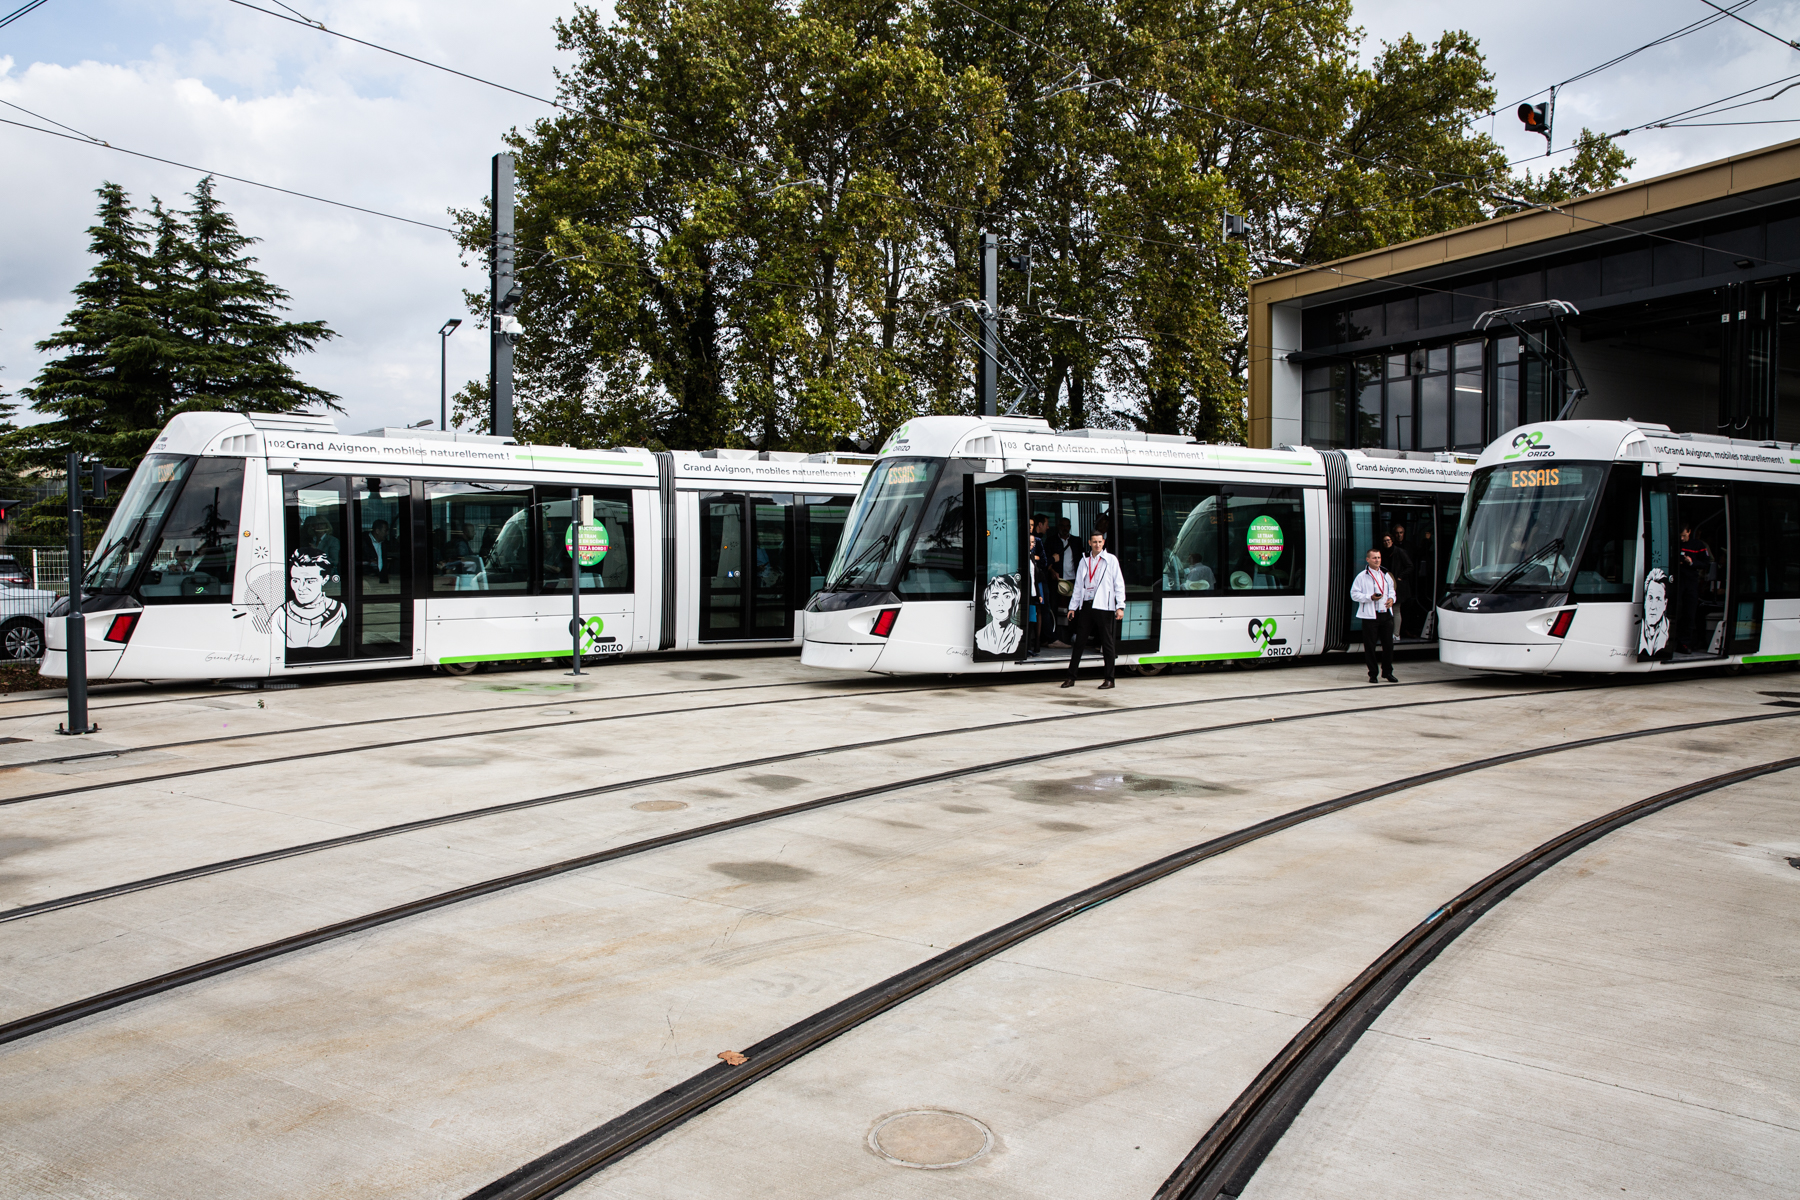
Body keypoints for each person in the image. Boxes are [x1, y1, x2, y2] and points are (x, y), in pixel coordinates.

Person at [1062, 531, 1125, 689]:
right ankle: (1071, 677)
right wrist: (1073, 607)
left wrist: (1120, 606)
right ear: (1089, 543)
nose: (1097, 545)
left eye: (1100, 542)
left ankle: (1109, 679)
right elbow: (1078, 585)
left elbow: (1119, 584)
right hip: (1087, 604)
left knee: (1107, 642)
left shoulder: (1111, 560)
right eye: (1094, 542)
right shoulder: (1085, 560)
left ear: (1103, 543)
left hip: (1104, 606)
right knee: (1079, 642)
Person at [276, 549, 346, 649]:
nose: (301, 587)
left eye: (310, 581)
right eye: (296, 580)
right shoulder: (280, 613)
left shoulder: (338, 609)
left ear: (325, 579)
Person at [1350, 546, 1398, 683]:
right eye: (1374, 558)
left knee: (1388, 645)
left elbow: (1392, 591)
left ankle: (1388, 672)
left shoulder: (1386, 574)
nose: (1377, 560)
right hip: (1371, 616)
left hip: (1386, 614)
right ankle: (1373, 674)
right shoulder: (1361, 576)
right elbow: (1354, 594)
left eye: (1379, 558)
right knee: (1370, 646)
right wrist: (1370, 597)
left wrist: (1391, 600)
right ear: (1368, 559)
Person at [1674, 525, 1710, 653]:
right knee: (1675, 611)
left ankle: (1685, 643)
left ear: (1689, 532)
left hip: (1691, 581)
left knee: (1689, 612)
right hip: (1676, 581)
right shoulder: (1674, 543)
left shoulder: (1697, 545)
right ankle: (1672, 641)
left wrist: (1692, 563)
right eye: (1680, 536)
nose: (1682, 539)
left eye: (1684, 535)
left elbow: (1706, 563)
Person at [976, 572, 1024, 654]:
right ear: (987, 604)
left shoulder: (1019, 633)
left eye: (1007, 596)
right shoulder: (980, 635)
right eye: (995, 597)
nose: (1001, 603)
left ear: (1014, 601)